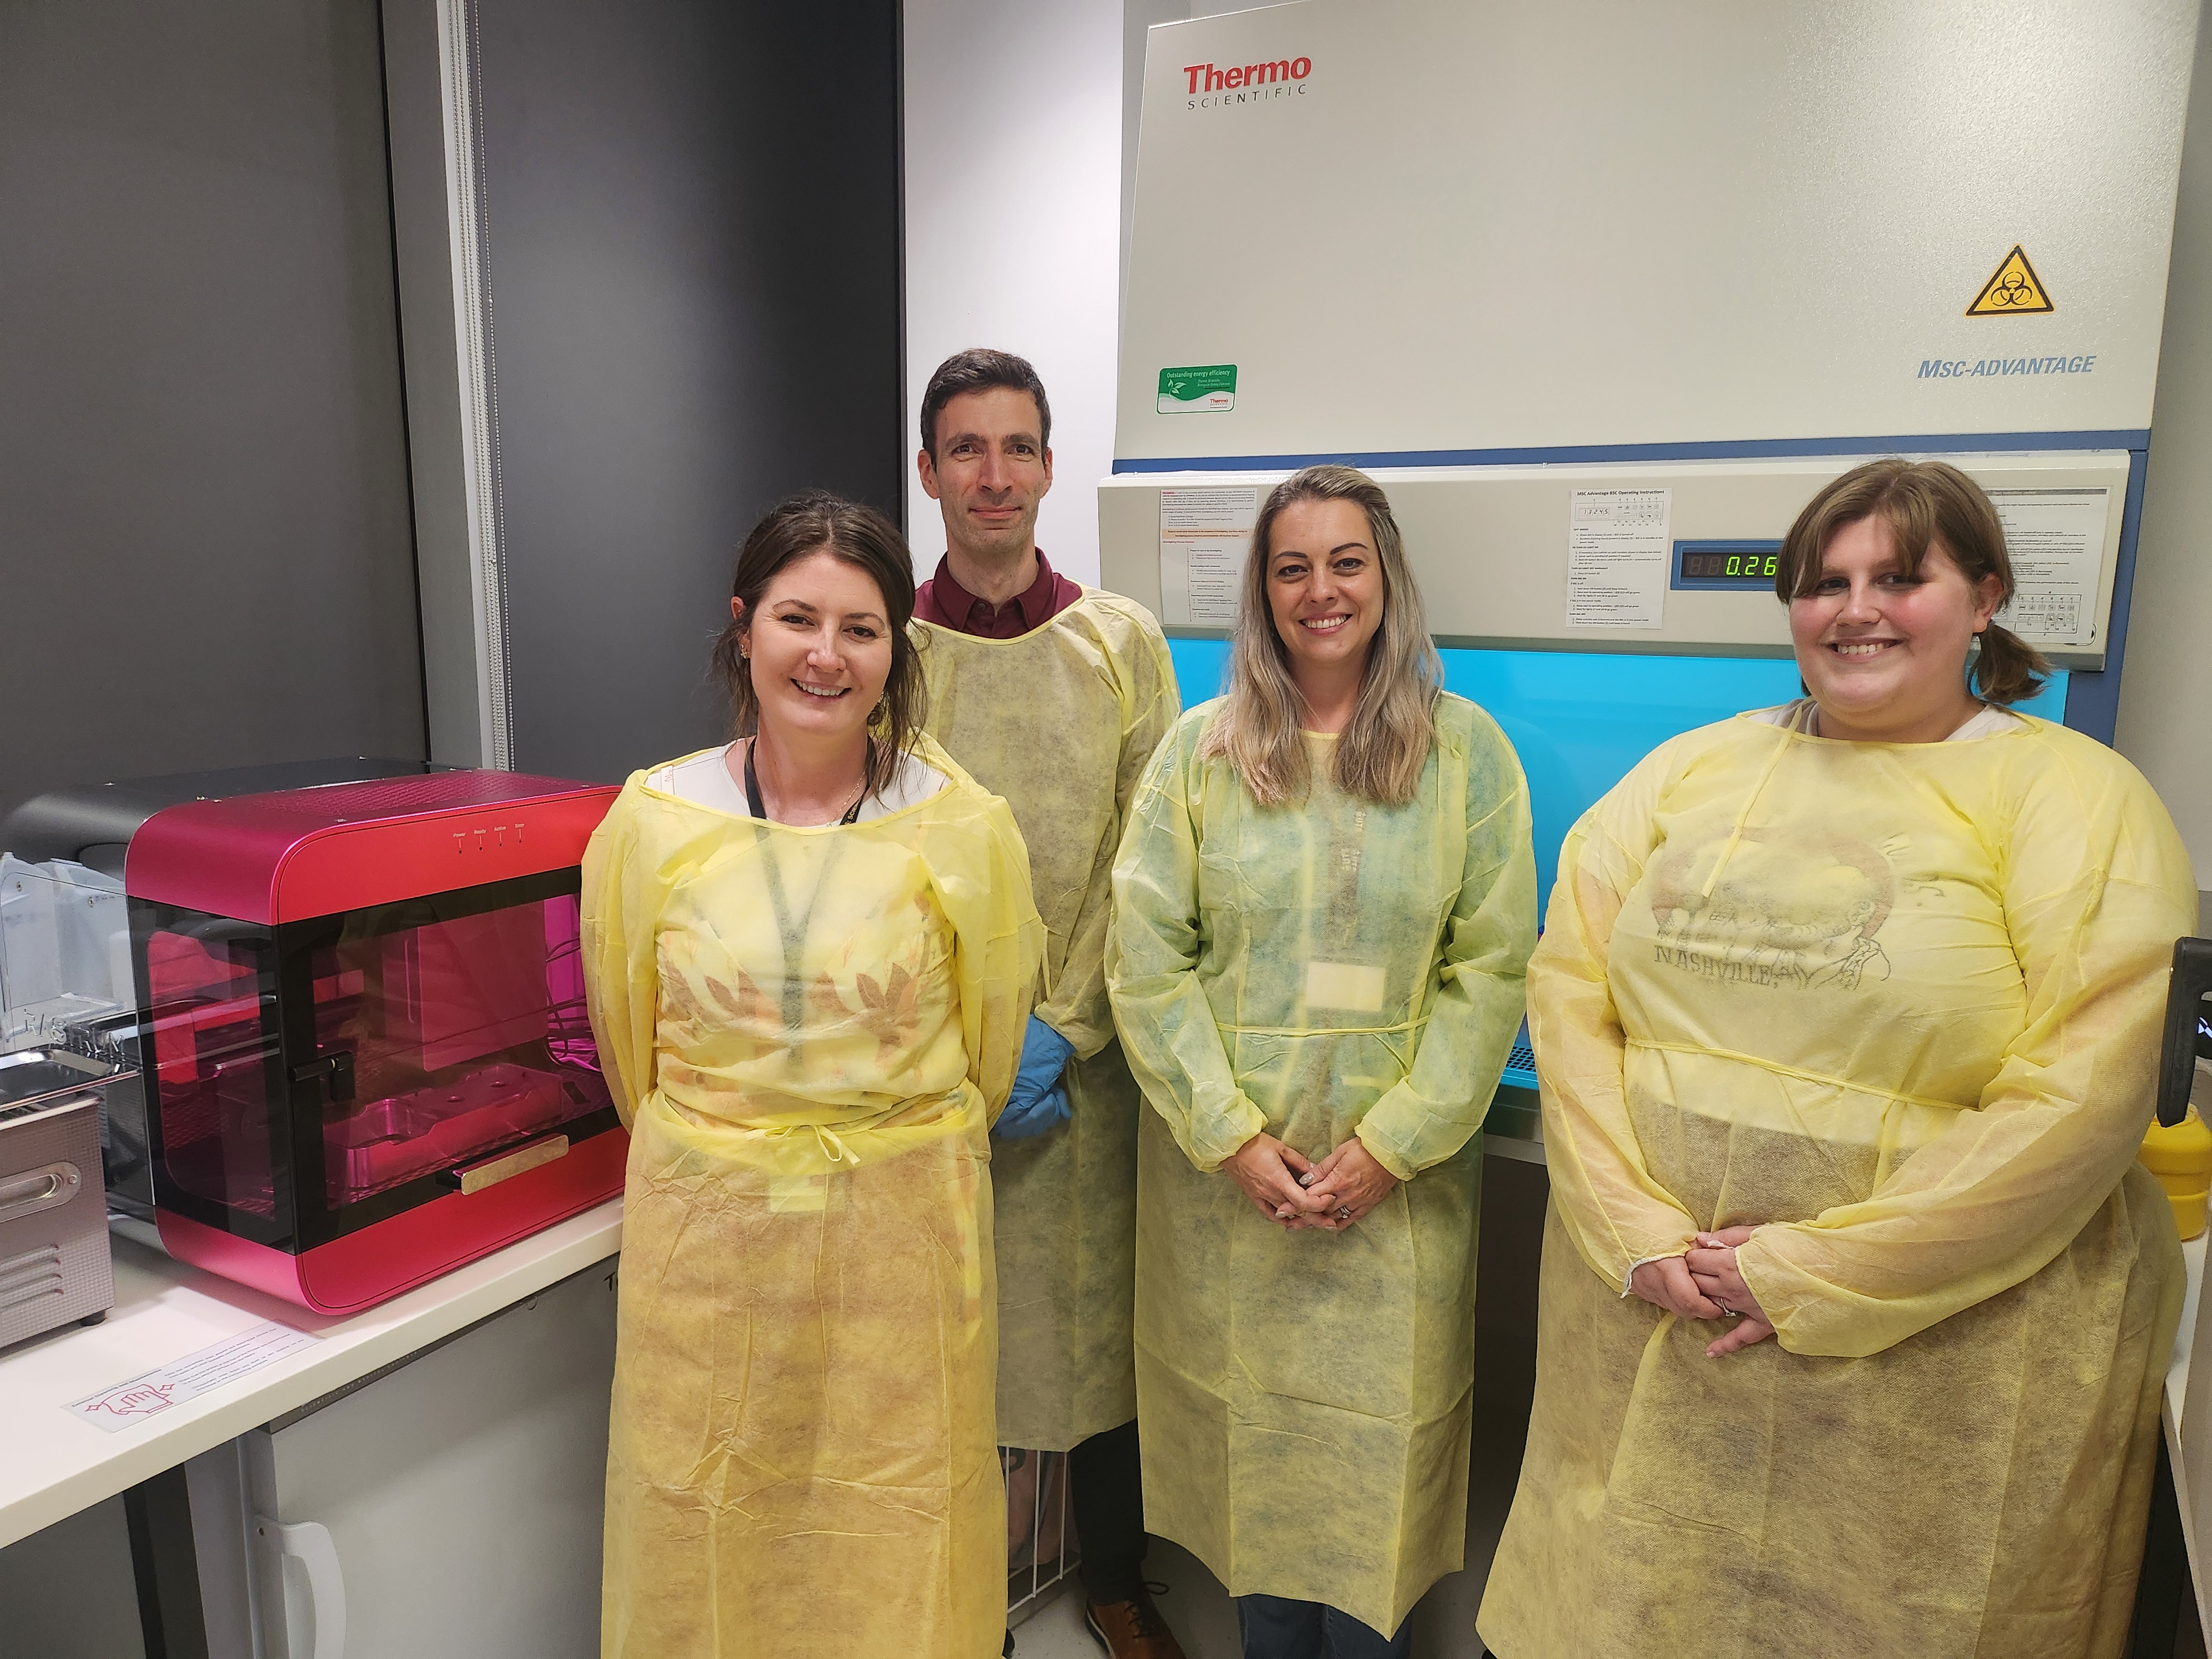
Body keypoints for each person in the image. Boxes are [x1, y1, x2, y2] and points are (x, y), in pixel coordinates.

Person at [1477, 459, 2199, 1659]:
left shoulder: (2074, 798)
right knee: (1629, 1599)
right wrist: (1630, 1228)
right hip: (1655, 1313)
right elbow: (1567, 993)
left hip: (1936, 1356)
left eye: (1897, 578)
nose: (1853, 608)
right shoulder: (1691, 769)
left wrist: (1824, 1269)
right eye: (1824, 583)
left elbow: (2086, 1087)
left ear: (1983, 597)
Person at [582, 492, 1043, 1659]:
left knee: (897, 1526)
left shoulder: (960, 827)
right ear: (743, 629)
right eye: (797, 619)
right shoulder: (649, 822)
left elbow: (989, 1051)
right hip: (708, 1253)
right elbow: (629, 1050)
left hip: (900, 1257)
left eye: (860, 628)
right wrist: (740, 1152)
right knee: (703, 1522)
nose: (825, 656)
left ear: (897, 650)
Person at [1109, 464, 1537, 1657]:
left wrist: (1390, 1147)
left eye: (1344, 561)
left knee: (1369, 1481)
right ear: (1260, 590)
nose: (1319, 591)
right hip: (1232, 1198)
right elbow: (1145, 962)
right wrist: (1229, 1138)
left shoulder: (1464, 755)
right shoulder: (1202, 753)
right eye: (1289, 567)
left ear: (1385, 576)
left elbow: (1488, 969)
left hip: (1393, 1205)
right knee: (1258, 1488)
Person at [910, 348, 1185, 1659]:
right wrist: (959, 1043)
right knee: (943, 1336)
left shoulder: (1119, 644)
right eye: (966, 449)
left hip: (1086, 1066)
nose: (994, 476)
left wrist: (1056, 1029)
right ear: (927, 473)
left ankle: (1117, 1580)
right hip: (925, 1071)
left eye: (1017, 447)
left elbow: (1150, 858)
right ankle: (960, 1595)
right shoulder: (885, 656)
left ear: (1050, 466)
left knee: (1096, 1333)